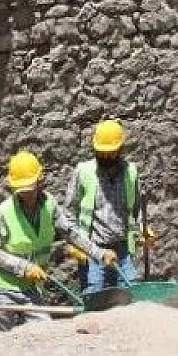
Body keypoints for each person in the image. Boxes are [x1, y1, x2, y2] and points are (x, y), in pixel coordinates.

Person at [0, 150, 106, 324]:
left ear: (40, 181)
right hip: (1, 290)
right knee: (6, 342)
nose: (26, 194)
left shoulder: (49, 206)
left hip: (30, 288)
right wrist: (23, 267)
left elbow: (71, 232)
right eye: (21, 190)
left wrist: (99, 253)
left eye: (29, 188)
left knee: (44, 330)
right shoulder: (2, 213)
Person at [64, 118, 148, 294]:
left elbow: (137, 209)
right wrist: (74, 243)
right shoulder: (83, 172)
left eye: (111, 153)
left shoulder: (131, 172)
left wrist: (142, 230)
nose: (106, 157)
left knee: (131, 294)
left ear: (121, 149)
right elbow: (69, 212)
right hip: (94, 250)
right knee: (94, 296)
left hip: (123, 249)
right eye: (102, 152)